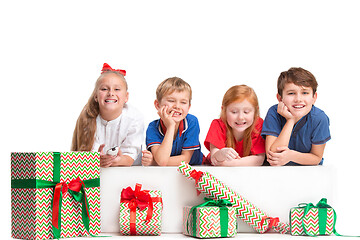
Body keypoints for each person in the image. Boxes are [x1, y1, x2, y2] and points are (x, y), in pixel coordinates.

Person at [71, 63, 144, 167]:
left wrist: (117, 160)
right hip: (99, 173)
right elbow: (85, 158)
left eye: (117, 89)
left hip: (129, 171)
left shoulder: (134, 118)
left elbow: (130, 157)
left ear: (126, 97)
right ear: (96, 96)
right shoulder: (88, 119)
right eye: (104, 89)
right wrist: (97, 160)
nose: (111, 93)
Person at [261, 67, 331, 166]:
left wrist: (291, 156)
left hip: (306, 172)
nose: (298, 99)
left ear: (314, 98)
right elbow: (273, 157)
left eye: (305, 93)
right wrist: (290, 121)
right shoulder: (274, 113)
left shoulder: (319, 118)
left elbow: (316, 157)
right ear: (280, 98)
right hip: (276, 173)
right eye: (291, 93)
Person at [142, 77, 203, 166]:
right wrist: (171, 126)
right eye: (171, 101)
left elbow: (185, 159)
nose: (177, 106)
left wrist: (155, 162)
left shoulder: (191, 122)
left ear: (189, 107)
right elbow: (162, 160)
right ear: (157, 105)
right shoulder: (153, 127)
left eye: (183, 102)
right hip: (167, 172)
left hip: (194, 168)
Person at [204, 85, 265, 166]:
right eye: (234, 112)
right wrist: (221, 154)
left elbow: (259, 159)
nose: (240, 117)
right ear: (224, 110)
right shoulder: (217, 125)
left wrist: (230, 163)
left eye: (246, 112)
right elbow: (214, 157)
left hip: (247, 173)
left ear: (255, 111)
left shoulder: (258, 125)